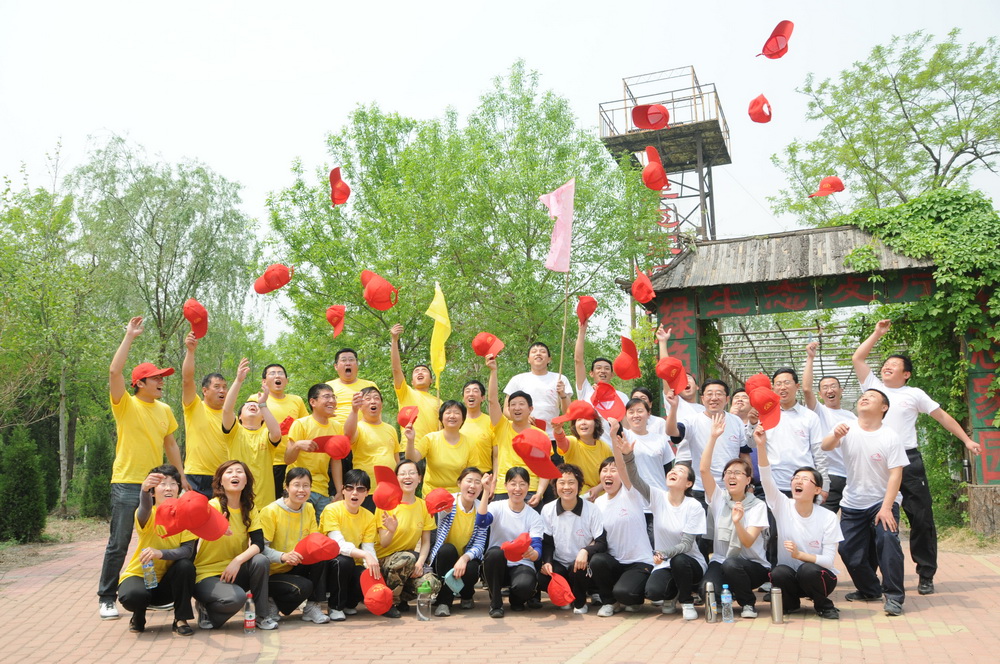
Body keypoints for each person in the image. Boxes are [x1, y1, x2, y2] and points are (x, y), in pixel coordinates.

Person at [852, 319, 981, 596]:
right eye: (886, 363)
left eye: (894, 364)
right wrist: (877, 333)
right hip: (876, 461)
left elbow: (942, 416)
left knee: (921, 518)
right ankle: (873, 579)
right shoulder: (873, 387)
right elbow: (858, 358)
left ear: (907, 374)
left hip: (908, 460)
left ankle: (926, 574)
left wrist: (967, 440)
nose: (887, 366)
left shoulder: (914, 394)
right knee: (875, 518)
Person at [100, 316, 186, 620]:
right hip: (127, 483)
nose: (162, 381)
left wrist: (181, 478)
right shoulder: (125, 404)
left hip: (159, 485)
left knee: (159, 540)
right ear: (139, 383)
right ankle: (107, 597)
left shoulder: (165, 409)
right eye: (156, 378)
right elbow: (114, 372)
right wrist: (129, 336)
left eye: (163, 377)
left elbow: (171, 445)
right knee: (120, 542)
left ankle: (154, 592)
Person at [822, 389, 909, 616]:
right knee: (847, 549)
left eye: (872, 397)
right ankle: (870, 589)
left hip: (882, 501)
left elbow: (896, 474)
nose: (865, 398)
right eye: (863, 396)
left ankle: (894, 597)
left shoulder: (890, 436)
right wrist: (835, 436)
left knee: (888, 542)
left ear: (884, 407)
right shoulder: (846, 427)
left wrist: (887, 507)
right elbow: (825, 446)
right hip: (853, 502)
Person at [754, 424, 843, 619]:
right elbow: (766, 479)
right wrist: (760, 446)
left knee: (808, 570)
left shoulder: (827, 517)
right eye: (795, 478)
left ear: (817, 490)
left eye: (804, 479)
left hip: (818, 577)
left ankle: (823, 605)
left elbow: (828, 561)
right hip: (790, 577)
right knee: (778, 572)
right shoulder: (782, 506)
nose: (798, 481)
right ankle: (791, 603)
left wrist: (799, 554)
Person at [620, 450, 706, 621]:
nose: (673, 471)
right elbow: (635, 480)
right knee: (653, 592)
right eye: (673, 469)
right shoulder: (658, 497)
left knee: (679, 560)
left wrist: (664, 553)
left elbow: (686, 545)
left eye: (680, 471)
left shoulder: (694, 506)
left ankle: (686, 602)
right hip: (664, 563)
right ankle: (671, 595)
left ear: (688, 483)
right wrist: (628, 455)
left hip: (690, 563)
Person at [700, 413, 770, 619]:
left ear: (748, 480)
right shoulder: (719, 499)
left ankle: (748, 603)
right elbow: (703, 470)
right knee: (707, 589)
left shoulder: (757, 506)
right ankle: (728, 593)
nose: (732, 476)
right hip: (721, 560)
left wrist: (738, 522)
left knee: (732, 565)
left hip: (752, 565)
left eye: (738, 473)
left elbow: (747, 542)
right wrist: (713, 437)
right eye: (728, 472)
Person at [192, 460, 275, 630]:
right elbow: (194, 532)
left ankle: (262, 616)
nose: (235, 475)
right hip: (208, 574)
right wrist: (215, 528)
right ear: (220, 481)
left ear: (246, 481)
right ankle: (206, 607)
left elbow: (258, 543)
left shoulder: (249, 508)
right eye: (229, 472)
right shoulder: (212, 506)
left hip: (234, 570)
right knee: (236, 599)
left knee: (260, 560)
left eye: (239, 471)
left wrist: (237, 561)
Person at [117, 464, 196, 635]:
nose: (168, 488)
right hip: (140, 577)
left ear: (178, 489)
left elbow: (187, 551)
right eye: (162, 484)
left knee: (186, 566)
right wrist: (144, 490)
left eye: (173, 483)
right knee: (133, 595)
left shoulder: (185, 517)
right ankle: (138, 615)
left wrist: (160, 554)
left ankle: (181, 619)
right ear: (153, 492)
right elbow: (144, 508)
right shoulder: (147, 514)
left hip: (168, 584)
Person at [589, 425, 654, 616]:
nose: (608, 474)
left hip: (638, 562)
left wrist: (614, 439)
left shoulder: (630, 493)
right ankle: (610, 602)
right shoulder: (598, 503)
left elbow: (624, 469)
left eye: (613, 470)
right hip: (614, 562)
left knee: (626, 594)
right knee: (597, 560)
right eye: (604, 471)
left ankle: (632, 596)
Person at [258, 467, 330, 624]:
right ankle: (271, 601)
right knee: (303, 587)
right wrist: (283, 556)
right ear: (286, 487)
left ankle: (311, 607)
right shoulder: (270, 511)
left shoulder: (308, 508)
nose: (301, 490)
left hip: (295, 565)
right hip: (272, 572)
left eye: (306, 485)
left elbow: (313, 541)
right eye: (296, 485)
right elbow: (259, 549)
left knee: (321, 556)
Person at [374, 458, 439, 618]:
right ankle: (389, 602)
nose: (407, 477)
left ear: (419, 478)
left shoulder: (424, 506)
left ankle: (403, 598)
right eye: (402, 474)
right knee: (407, 558)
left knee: (431, 583)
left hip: (407, 561)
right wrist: (391, 530)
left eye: (412, 473)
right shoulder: (386, 504)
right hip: (384, 562)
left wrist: (420, 563)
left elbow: (426, 542)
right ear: (396, 479)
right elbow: (383, 543)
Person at [538, 463, 607, 614]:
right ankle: (565, 596)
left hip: (582, 564)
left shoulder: (592, 509)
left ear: (579, 485)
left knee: (579, 569)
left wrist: (586, 551)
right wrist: (547, 562)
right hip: (560, 563)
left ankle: (580, 602)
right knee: (541, 577)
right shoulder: (548, 509)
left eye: (571, 482)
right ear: (555, 485)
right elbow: (547, 542)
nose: (566, 487)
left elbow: (602, 543)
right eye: (561, 483)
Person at [478, 467, 545, 618]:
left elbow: (537, 548)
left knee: (524, 587)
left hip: (522, 564)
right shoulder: (496, 507)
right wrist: (486, 491)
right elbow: (481, 522)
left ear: (528, 487)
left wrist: (533, 553)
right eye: (513, 484)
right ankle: (496, 603)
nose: (517, 489)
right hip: (498, 565)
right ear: (506, 485)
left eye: (522, 484)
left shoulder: (533, 516)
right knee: (495, 553)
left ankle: (516, 599)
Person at [285, 383, 358, 518]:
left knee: (322, 528)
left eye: (333, 397)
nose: (332, 400)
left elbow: (336, 460)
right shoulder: (301, 424)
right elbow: (288, 459)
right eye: (326, 397)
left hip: (323, 489)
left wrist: (339, 490)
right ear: (313, 402)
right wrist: (297, 445)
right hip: (300, 489)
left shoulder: (337, 427)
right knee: (300, 527)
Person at [487, 354, 548, 505]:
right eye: (513, 405)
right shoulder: (502, 427)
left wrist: (539, 493)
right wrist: (493, 371)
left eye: (521, 404)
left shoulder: (540, 435)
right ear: (508, 409)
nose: (517, 408)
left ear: (530, 409)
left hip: (530, 491)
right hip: (503, 489)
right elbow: (492, 401)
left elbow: (545, 468)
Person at [673, 381, 746, 508]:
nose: (714, 398)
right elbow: (673, 433)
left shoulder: (736, 421)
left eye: (719, 394)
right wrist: (673, 408)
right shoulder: (692, 421)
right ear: (702, 399)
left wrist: (748, 484)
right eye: (709, 394)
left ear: (727, 399)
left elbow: (744, 455)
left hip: (731, 488)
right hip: (700, 489)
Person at [221, 358, 282, 506]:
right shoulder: (234, 432)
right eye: (247, 405)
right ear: (240, 417)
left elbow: (276, 434)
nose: (252, 405)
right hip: (239, 502)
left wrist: (263, 404)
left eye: (256, 406)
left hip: (265, 503)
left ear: (263, 417)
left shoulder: (266, 434)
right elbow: (227, 409)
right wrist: (238, 380)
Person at [320, 468, 379, 621]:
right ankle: (335, 606)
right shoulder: (331, 510)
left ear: (367, 493)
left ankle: (349, 604)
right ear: (342, 490)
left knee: (369, 570)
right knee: (344, 561)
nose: (354, 493)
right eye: (349, 488)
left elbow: (368, 547)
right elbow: (338, 545)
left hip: (353, 561)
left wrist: (373, 566)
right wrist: (365, 555)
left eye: (360, 489)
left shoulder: (369, 517)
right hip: (328, 564)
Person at [428, 467, 488, 616]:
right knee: (447, 550)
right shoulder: (449, 502)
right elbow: (437, 511)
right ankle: (444, 602)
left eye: (477, 482)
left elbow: (480, 544)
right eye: (469, 481)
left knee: (472, 567)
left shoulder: (481, 509)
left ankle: (467, 594)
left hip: (466, 558)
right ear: (459, 483)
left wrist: (464, 558)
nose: (472, 486)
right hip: (445, 559)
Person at [803, 341, 855, 513]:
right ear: (820, 394)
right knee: (822, 518)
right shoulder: (819, 411)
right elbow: (806, 389)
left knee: (851, 523)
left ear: (841, 390)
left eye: (833, 386)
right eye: (825, 388)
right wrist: (810, 358)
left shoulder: (852, 417)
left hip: (850, 477)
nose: (829, 390)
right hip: (828, 476)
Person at [180, 332, 230, 498]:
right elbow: (187, 380)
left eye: (224, 387)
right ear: (205, 390)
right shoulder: (194, 407)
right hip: (197, 476)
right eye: (217, 387)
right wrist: (190, 351)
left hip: (223, 476)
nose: (222, 391)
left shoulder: (230, 416)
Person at [503, 341, 573, 441]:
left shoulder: (560, 379)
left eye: (542, 351)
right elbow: (506, 410)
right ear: (528, 359)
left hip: (551, 437)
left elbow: (568, 412)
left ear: (549, 359)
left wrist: (563, 395)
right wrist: (523, 418)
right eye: (534, 351)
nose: (538, 353)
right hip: (523, 436)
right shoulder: (517, 379)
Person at [574, 317, 628, 442]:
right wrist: (582, 331)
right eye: (598, 368)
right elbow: (578, 361)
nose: (602, 371)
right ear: (591, 373)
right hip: (591, 448)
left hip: (615, 449)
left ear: (612, 374)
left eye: (606, 368)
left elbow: (627, 427)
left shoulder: (622, 397)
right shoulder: (586, 391)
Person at [262, 363, 308, 507]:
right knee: (269, 504)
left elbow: (306, 426)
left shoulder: (297, 400)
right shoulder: (257, 399)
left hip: (292, 462)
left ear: (287, 380)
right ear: (264, 381)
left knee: (290, 504)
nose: (277, 376)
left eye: (280, 373)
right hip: (267, 461)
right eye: (272, 373)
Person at [348, 387, 400, 509]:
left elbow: (397, 459)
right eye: (368, 399)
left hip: (391, 490)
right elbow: (348, 436)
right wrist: (354, 411)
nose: (373, 401)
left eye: (376, 398)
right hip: (366, 490)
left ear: (381, 405)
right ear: (360, 406)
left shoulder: (391, 429)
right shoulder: (358, 427)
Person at [406, 400, 472, 494]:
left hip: (457, 495)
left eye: (457, 413)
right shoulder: (430, 439)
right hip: (432, 493)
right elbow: (412, 458)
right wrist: (410, 440)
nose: (452, 416)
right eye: (448, 412)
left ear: (463, 419)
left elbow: (471, 473)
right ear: (441, 418)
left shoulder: (469, 443)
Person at [390, 323, 442, 443]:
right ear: (412, 382)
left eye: (424, 371)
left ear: (431, 381)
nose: (420, 373)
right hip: (409, 447)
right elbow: (396, 369)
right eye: (416, 371)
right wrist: (394, 340)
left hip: (431, 449)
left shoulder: (439, 402)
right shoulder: (406, 392)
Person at [552, 404, 611, 498]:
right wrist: (558, 431)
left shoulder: (604, 447)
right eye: (579, 419)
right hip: (575, 497)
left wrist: (598, 488)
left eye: (587, 418)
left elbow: (612, 474)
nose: (583, 422)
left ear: (596, 423)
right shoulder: (573, 442)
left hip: (601, 497)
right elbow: (562, 442)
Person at [657, 326, 704, 424]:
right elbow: (666, 369)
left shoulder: (704, 410)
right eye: (683, 380)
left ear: (697, 387)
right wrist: (662, 342)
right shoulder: (674, 402)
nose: (686, 381)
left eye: (689, 378)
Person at [326, 348, 379, 424]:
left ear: (357, 365)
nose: (348, 363)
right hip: (334, 428)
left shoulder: (369, 385)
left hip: (363, 428)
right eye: (343, 360)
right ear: (336, 366)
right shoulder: (327, 387)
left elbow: (378, 410)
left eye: (351, 360)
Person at [460, 379, 497, 475]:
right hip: (460, 476)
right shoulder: (456, 421)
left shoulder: (491, 422)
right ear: (463, 397)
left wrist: (495, 478)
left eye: (475, 391)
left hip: (485, 476)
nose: (471, 394)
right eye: (467, 391)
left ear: (483, 397)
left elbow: (496, 456)